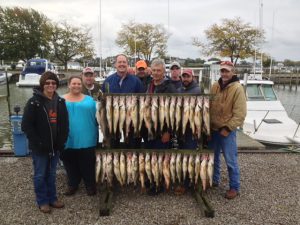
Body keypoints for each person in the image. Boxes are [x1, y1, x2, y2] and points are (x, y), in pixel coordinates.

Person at [21, 71, 69, 213]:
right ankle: (42, 201)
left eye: (53, 83)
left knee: (52, 173)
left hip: (56, 146)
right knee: (40, 174)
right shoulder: (33, 102)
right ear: (42, 84)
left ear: (56, 85)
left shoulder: (60, 102)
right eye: (47, 83)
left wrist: (62, 141)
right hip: (40, 147)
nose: (50, 85)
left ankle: (53, 198)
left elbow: (65, 124)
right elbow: (26, 126)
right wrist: (39, 143)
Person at [209, 61, 247, 199]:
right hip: (213, 129)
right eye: (222, 71)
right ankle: (214, 180)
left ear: (233, 72)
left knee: (230, 160)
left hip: (227, 131)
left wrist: (228, 128)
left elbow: (240, 113)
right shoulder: (215, 86)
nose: (224, 74)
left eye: (227, 71)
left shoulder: (237, 88)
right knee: (213, 158)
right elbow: (209, 106)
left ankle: (234, 187)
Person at [61, 76, 98, 196]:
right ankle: (73, 184)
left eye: (78, 84)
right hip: (67, 138)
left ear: (81, 86)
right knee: (70, 163)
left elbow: (99, 116)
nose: (76, 86)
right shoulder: (60, 100)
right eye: (74, 83)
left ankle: (90, 185)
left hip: (87, 137)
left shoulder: (90, 100)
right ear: (68, 85)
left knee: (88, 163)